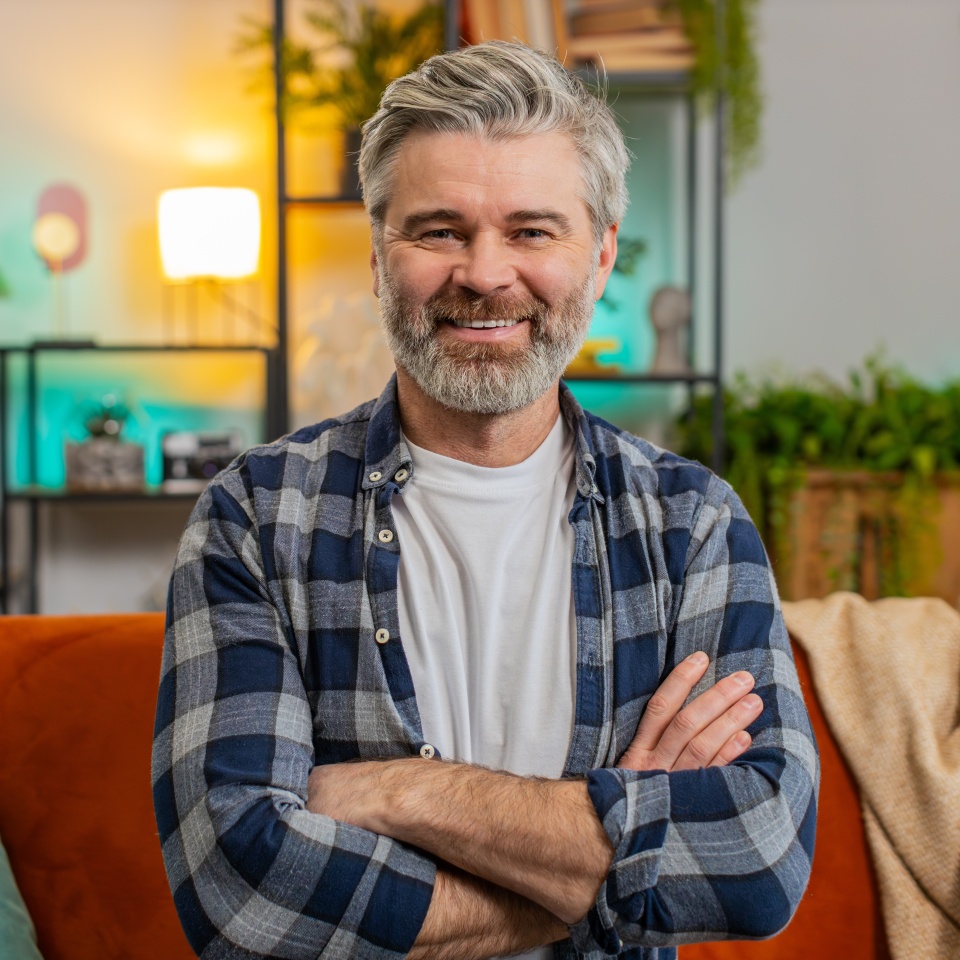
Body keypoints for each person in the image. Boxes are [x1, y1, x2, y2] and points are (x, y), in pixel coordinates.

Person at [152, 40, 818, 960]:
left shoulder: (691, 523)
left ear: (601, 256)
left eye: (532, 231)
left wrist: (395, 792)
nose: (485, 273)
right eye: (439, 230)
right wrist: (616, 853)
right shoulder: (258, 517)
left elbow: (758, 858)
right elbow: (239, 896)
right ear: (379, 254)